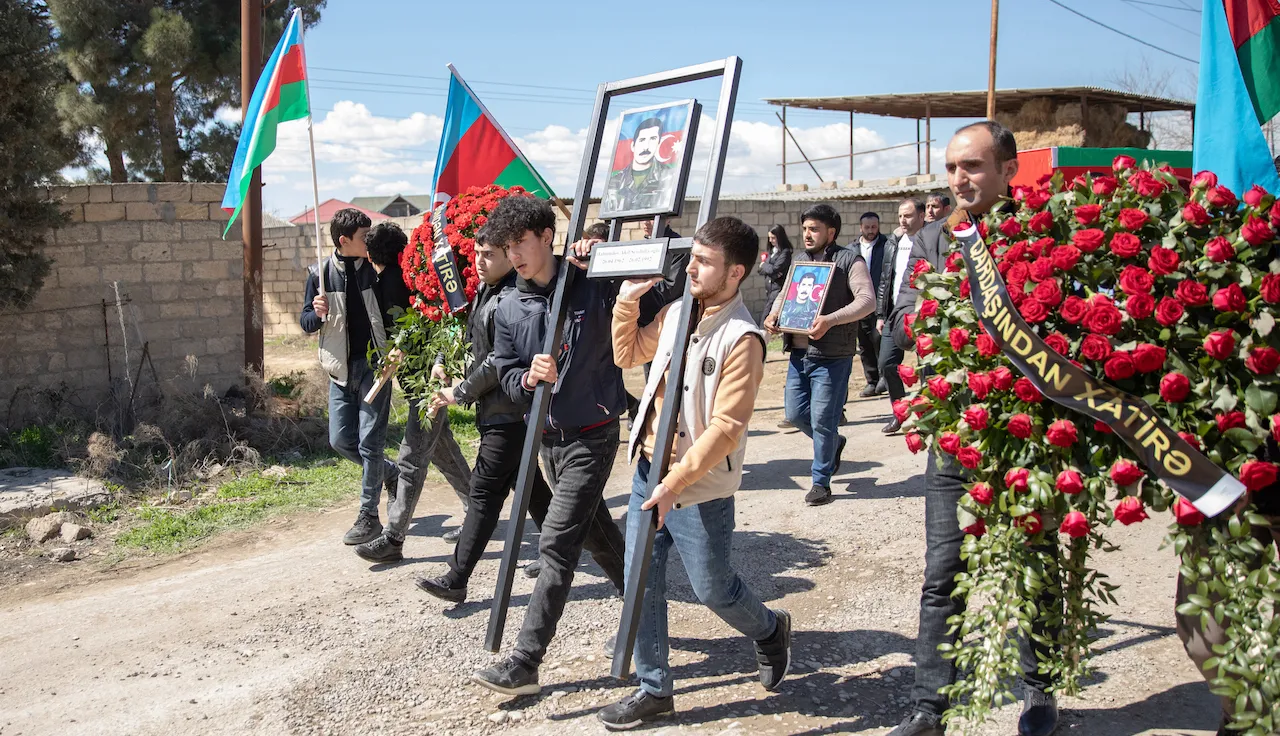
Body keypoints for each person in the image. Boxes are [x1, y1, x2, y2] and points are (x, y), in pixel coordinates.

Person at [885, 121, 1060, 736]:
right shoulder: (934, 238)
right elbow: (906, 312)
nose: (960, 178)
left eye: (974, 167)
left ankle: (1039, 695)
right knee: (943, 572)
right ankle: (930, 707)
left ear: (1010, 169)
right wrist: (926, 319)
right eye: (953, 167)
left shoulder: (1039, 229)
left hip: (1029, 433)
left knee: (1034, 566)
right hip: (958, 432)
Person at [596, 216, 791, 730]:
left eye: (705, 262)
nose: (691, 269)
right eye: (693, 257)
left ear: (735, 273)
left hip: (696, 488)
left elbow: (727, 427)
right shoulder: (678, 311)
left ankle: (770, 629)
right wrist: (628, 301)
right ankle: (654, 689)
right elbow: (626, 353)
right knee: (641, 582)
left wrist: (673, 483)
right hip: (646, 473)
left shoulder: (742, 338)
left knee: (712, 588)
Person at [470, 194, 629, 696]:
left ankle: (525, 662)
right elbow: (507, 372)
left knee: (557, 543)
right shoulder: (508, 305)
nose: (513, 255)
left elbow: (663, 277)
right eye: (506, 247)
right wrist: (527, 379)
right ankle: (644, 602)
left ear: (547, 237)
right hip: (548, 440)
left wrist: (604, 253)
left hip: (594, 432)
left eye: (521, 243)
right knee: (596, 534)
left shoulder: (590, 282)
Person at [416, 228, 626, 601]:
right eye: (478, 253)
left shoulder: (517, 296)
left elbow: (499, 361)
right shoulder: (490, 292)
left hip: (514, 412)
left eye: (492, 253)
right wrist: (441, 363)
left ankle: (457, 576)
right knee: (544, 496)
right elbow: (472, 339)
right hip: (504, 408)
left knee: (485, 491)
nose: (482, 261)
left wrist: (461, 391)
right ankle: (626, 574)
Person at [352, 222, 473, 563]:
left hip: (425, 386)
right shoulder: (411, 281)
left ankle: (393, 536)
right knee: (442, 449)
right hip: (424, 380)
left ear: (373, 255)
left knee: (410, 458)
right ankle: (478, 508)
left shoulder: (386, 283)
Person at [764, 204, 875, 507]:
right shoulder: (800, 260)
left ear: (831, 232)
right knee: (796, 413)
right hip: (799, 355)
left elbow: (867, 301)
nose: (807, 235)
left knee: (823, 420)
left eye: (814, 229)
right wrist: (774, 316)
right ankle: (834, 445)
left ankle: (820, 482)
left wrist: (831, 320)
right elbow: (787, 296)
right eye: (805, 229)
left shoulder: (849, 260)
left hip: (832, 356)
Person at [300, 209, 399, 546]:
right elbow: (305, 323)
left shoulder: (377, 270)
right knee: (341, 441)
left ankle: (368, 517)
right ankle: (389, 472)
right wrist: (316, 312)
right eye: (363, 236)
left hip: (376, 367)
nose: (369, 241)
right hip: (340, 371)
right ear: (344, 241)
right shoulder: (320, 274)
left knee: (370, 444)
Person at [876, 197, 926, 435]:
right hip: (894, 313)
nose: (902, 221)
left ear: (921, 216)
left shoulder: (930, 241)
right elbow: (886, 279)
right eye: (900, 216)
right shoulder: (893, 242)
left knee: (927, 368)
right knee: (886, 364)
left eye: (907, 216)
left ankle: (928, 416)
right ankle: (900, 413)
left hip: (923, 314)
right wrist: (880, 313)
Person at [604, 117, 674, 213]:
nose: (646, 147)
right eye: (642, 140)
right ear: (633, 145)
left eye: (653, 139)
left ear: (658, 144)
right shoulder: (615, 181)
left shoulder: (668, 177)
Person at [853, 212, 889, 398]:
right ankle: (872, 381)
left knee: (880, 341)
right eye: (867, 227)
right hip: (859, 303)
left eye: (874, 227)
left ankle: (885, 379)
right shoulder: (852, 249)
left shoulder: (887, 246)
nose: (870, 231)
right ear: (861, 228)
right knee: (865, 345)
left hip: (880, 302)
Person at [756, 224, 793, 327]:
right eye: (769, 238)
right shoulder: (771, 252)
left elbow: (774, 269)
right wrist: (770, 270)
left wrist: (765, 266)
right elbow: (760, 270)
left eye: (773, 238)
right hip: (769, 289)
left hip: (777, 289)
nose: (771, 240)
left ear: (779, 238)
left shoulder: (785, 253)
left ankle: (762, 337)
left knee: (766, 317)